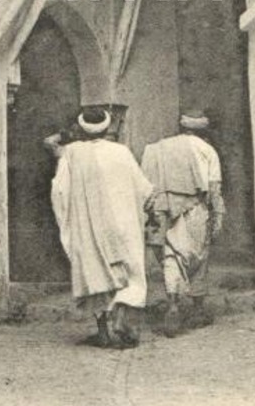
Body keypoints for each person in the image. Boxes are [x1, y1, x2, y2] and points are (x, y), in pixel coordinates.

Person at [50, 106, 154, 349]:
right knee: (130, 272)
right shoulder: (121, 152)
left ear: (82, 128)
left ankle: (103, 332)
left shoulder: (71, 153)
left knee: (94, 273)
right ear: (108, 127)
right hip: (122, 225)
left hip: (91, 226)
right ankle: (122, 314)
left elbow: (60, 189)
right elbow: (143, 188)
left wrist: (68, 216)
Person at [141, 111, 225, 337]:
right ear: (203, 130)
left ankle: (173, 305)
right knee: (198, 256)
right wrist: (218, 215)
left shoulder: (159, 147)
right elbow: (214, 189)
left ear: (182, 127)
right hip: (194, 209)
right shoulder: (207, 150)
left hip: (163, 210)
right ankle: (198, 309)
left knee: (171, 256)